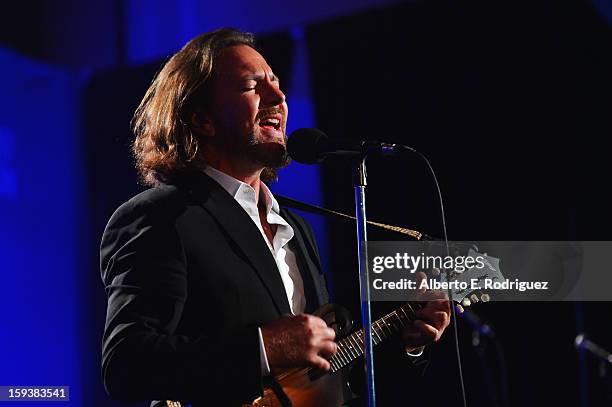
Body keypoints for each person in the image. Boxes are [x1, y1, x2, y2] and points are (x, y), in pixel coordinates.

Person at [100, 28, 450, 406]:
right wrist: (266, 347)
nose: (279, 97)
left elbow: (326, 380)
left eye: (276, 83)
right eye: (253, 86)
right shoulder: (163, 216)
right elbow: (126, 365)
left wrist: (409, 344)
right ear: (202, 118)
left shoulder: (295, 227)